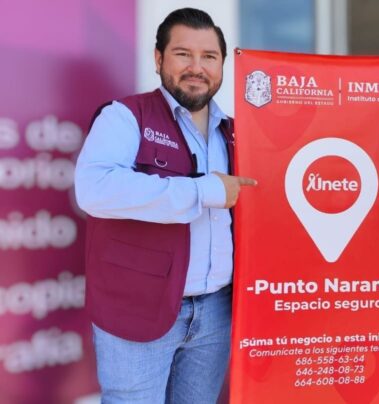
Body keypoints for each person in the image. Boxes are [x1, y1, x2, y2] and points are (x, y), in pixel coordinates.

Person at [75, 8, 256, 403]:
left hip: (217, 311)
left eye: (209, 56)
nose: (197, 67)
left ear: (222, 65)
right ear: (158, 59)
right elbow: (94, 189)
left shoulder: (237, 133)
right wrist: (202, 192)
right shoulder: (125, 116)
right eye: (183, 54)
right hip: (137, 309)